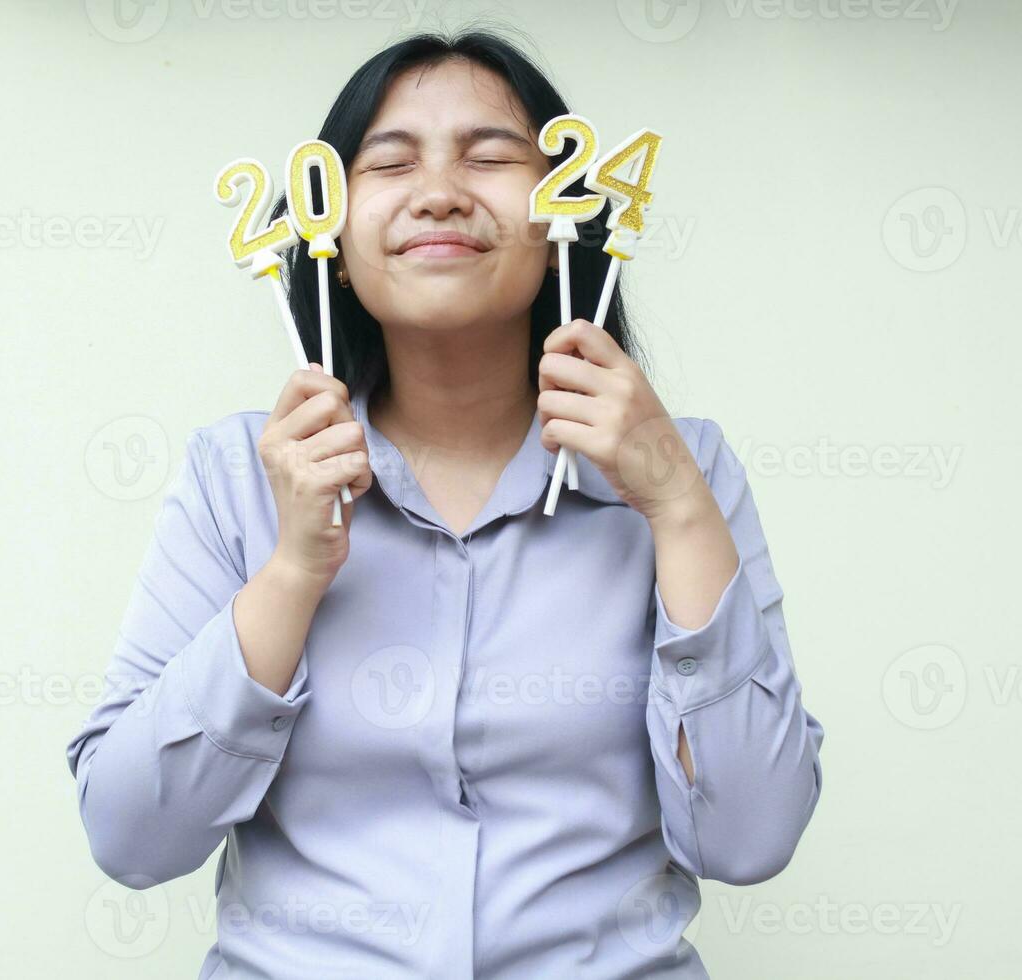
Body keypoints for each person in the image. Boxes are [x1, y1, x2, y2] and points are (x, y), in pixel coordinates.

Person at [66, 29, 824, 980]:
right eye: (390, 162)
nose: (438, 191)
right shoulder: (235, 475)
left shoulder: (683, 469)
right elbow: (133, 837)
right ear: (330, 239)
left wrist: (674, 503)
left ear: (564, 226)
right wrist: (294, 571)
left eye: (490, 156)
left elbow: (751, 838)